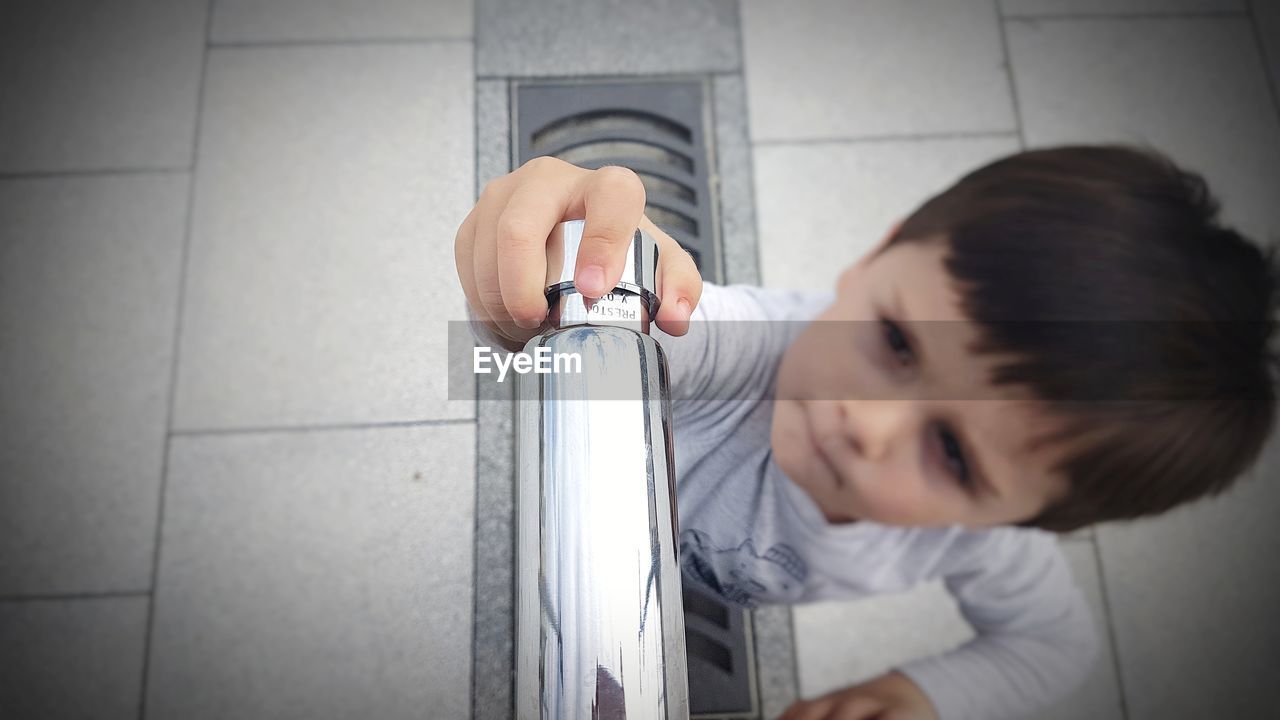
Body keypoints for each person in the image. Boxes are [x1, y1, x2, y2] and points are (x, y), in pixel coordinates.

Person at [453, 148, 1279, 720]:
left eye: (953, 451)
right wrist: (555, 296)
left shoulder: (975, 543)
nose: (864, 420)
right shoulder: (743, 353)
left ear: (1022, 518)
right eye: (897, 339)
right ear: (874, 256)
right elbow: (530, 359)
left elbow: (1054, 645)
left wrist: (922, 694)